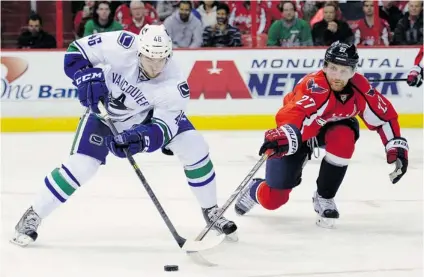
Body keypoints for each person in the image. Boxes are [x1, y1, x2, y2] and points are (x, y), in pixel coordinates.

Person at [11, 25, 237, 247]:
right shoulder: (122, 44)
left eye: (162, 59)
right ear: (140, 50)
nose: (156, 65)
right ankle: (33, 215)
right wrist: (84, 76)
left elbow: (162, 129)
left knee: (195, 146)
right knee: (82, 167)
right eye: (150, 58)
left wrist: (138, 139)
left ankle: (211, 211)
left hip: (144, 120)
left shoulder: (175, 85)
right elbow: (76, 51)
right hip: (103, 115)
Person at [234, 41, 409, 228]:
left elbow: (384, 117)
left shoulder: (360, 87)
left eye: (344, 71)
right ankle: (254, 189)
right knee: (273, 200)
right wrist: (285, 134)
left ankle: (325, 196)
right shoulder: (315, 86)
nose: (337, 76)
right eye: (333, 68)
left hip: (330, 130)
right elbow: (294, 112)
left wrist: (396, 147)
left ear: (353, 71)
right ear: (324, 66)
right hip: (299, 133)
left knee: (344, 136)